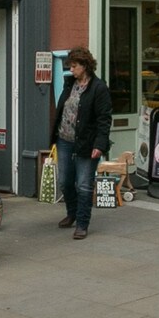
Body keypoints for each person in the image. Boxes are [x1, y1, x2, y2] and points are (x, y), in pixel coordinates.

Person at [51, 46, 111, 240]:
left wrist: (99, 145)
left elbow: (104, 118)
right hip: (65, 140)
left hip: (87, 142)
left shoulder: (99, 88)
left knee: (84, 184)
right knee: (65, 181)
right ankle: (72, 212)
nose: (71, 70)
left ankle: (82, 223)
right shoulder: (70, 84)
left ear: (85, 66)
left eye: (74, 66)